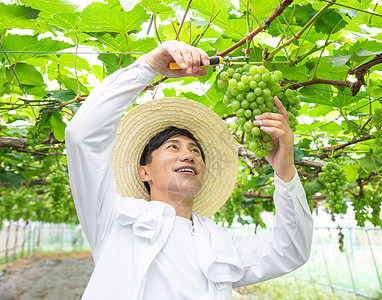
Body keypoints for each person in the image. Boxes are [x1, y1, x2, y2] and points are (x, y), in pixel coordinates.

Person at [65, 40, 313, 300]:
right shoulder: (115, 218)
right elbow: (82, 136)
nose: (188, 155)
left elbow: (291, 251)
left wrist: (285, 171)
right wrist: (148, 66)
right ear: (144, 172)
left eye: (195, 151)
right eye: (173, 147)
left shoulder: (220, 242)